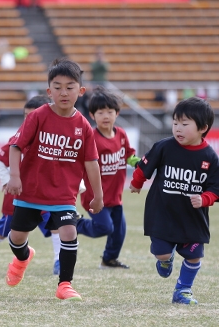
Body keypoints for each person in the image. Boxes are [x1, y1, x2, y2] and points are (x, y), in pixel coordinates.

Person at [5, 58, 103, 301]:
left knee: (69, 232)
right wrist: (15, 177)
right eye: (57, 87)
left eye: (70, 87)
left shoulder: (84, 127)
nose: (63, 92)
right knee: (17, 238)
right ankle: (23, 257)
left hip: (63, 195)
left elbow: (91, 162)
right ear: (49, 91)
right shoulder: (38, 116)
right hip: (31, 192)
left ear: (80, 91)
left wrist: (98, 195)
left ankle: (65, 284)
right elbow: (16, 147)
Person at [130, 97, 219, 305]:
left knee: (194, 256)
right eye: (175, 123)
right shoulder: (164, 147)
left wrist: (205, 199)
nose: (178, 128)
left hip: (192, 218)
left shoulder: (210, 157)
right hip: (162, 213)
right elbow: (144, 167)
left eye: (185, 124)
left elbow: (216, 187)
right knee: (161, 253)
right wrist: (136, 183)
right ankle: (166, 259)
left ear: (203, 128)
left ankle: (183, 291)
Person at [0, 95, 63, 275]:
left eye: (32, 116)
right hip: (18, 194)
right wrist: (7, 181)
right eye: (26, 115)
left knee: (56, 224)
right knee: (5, 229)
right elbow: (2, 157)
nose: (28, 120)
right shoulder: (20, 136)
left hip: (44, 193)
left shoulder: (53, 139)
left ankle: (59, 260)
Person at [76, 87, 139, 269]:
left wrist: (138, 163)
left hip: (115, 196)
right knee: (105, 228)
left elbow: (129, 154)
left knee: (119, 232)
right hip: (95, 197)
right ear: (92, 115)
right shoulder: (92, 138)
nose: (105, 116)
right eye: (100, 112)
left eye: (109, 111)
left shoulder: (121, 134)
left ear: (117, 113)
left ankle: (108, 260)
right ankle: (77, 224)